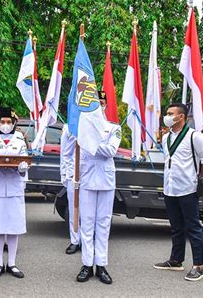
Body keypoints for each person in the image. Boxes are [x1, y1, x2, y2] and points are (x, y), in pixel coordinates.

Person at [154, 103, 203, 282]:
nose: (167, 116)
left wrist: (196, 177)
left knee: (193, 227)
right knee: (176, 226)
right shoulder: (167, 138)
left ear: (181, 117)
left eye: (171, 113)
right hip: (170, 188)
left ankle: (198, 266)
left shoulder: (195, 137)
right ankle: (176, 260)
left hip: (187, 188)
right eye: (167, 113)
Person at [75, 91, 121, 284]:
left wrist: (90, 142)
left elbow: (111, 151)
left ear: (106, 105)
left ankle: (101, 265)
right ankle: (87, 264)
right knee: (86, 224)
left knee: (103, 224)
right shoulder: (83, 127)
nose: (99, 106)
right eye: (96, 103)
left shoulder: (114, 127)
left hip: (106, 181)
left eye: (102, 102)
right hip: (86, 179)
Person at [0, 107, 29, 279]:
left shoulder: (20, 140)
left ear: (14, 123)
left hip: (15, 187)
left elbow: (24, 162)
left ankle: (12, 263)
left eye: (9, 122)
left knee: (14, 227)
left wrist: (23, 169)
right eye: (3, 121)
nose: (6, 125)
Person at [60, 124, 81, 255]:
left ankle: (86, 241)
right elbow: (64, 153)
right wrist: (64, 173)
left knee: (88, 212)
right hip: (73, 174)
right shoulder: (69, 127)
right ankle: (75, 241)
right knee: (74, 210)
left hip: (89, 174)